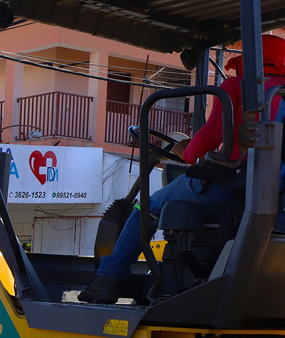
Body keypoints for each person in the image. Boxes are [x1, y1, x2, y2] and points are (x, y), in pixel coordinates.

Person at [79, 34, 285, 304]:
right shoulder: (280, 93)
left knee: (148, 207)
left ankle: (107, 279)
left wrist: (187, 152)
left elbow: (212, 134)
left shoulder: (239, 86)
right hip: (268, 190)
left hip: (228, 182)